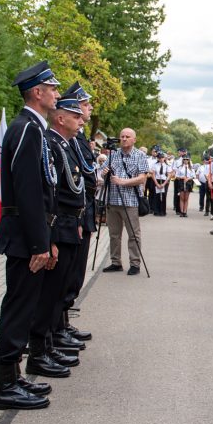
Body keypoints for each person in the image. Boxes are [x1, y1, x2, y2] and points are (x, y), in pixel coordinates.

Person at [0, 61, 62, 410]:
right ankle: (4, 386)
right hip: (24, 236)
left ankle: (14, 377)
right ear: (37, 92)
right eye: (53, 88)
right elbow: (28, 190)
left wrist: (46, 238)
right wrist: (39, 243)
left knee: (24, 305)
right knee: (18, 308)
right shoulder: (26, 129)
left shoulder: (33, 127)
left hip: (31, 234)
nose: (57, 94)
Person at [27, 96, 88, 378]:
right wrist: (51, 235)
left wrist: (77, 220)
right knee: (50, 292)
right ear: (61, 119)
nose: (82, 120)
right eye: (76, 116)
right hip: (59, 224)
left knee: (59, 287)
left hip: (69, 222)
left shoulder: (65, 144)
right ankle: (40, 349)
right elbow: (52, 192)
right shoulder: (51, 143)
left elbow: (75, 186)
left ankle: (49, 343)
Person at [59, 81, 98, 343]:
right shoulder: (68, 139)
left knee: (74, 275)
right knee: (65, 277)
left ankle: (62, 323)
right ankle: (57, 327)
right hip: (72, 215)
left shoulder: (79, 137)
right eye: (85, 105)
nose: (90, 108)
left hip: (82, 211)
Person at [98, 128, 150, 275]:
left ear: (134, 139)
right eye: (122, 136)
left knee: (133, 234)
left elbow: (142, 178)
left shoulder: (140, 155)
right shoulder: (113, 155)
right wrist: (103, 174)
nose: (124, 139)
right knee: (114, 234)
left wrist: (122, 182)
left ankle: (135, 263)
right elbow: (101, 174)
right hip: (112, 199)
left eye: (128, 136)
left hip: (130, 201)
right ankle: (116, 262)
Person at [152, 152, 170, 216]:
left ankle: (163, 211)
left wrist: (164, 184)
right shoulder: (155, 165)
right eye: (160, 158)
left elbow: (168, 176)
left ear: (164, 158)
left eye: (162, 157)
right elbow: (153, 175)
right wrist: (156, 183)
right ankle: (156, 210)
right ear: (158, 158)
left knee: (163, 196)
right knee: (157, 195)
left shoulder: (167, 165)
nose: (161, 159)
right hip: (157, 180)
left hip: (164, 181)